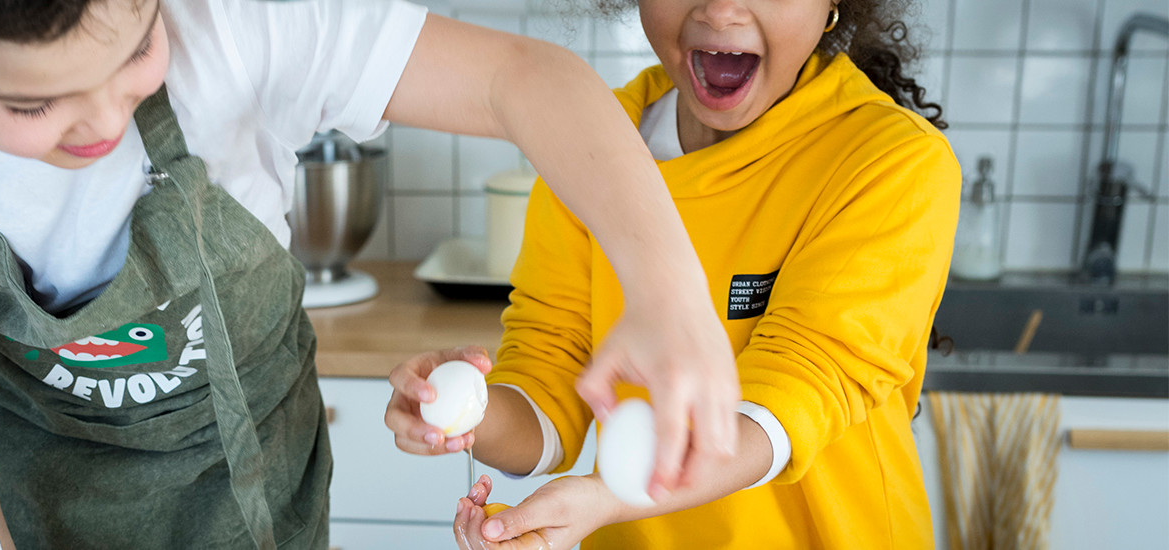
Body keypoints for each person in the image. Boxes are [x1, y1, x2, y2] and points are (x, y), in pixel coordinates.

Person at [0, 0, 745, 547]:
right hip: (35, 493)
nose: (103, 120)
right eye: (32, 101)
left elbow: (523, 77)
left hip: (253, 478)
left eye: (138, 48)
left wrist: (670, 295)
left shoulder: (233, 18)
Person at [384, 0, 958, 547]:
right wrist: (467, 411)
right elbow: (549, 377)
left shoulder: (892, 161)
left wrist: (607, 498)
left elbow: (792, 398)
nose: (719, 9)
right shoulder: (588, 139)